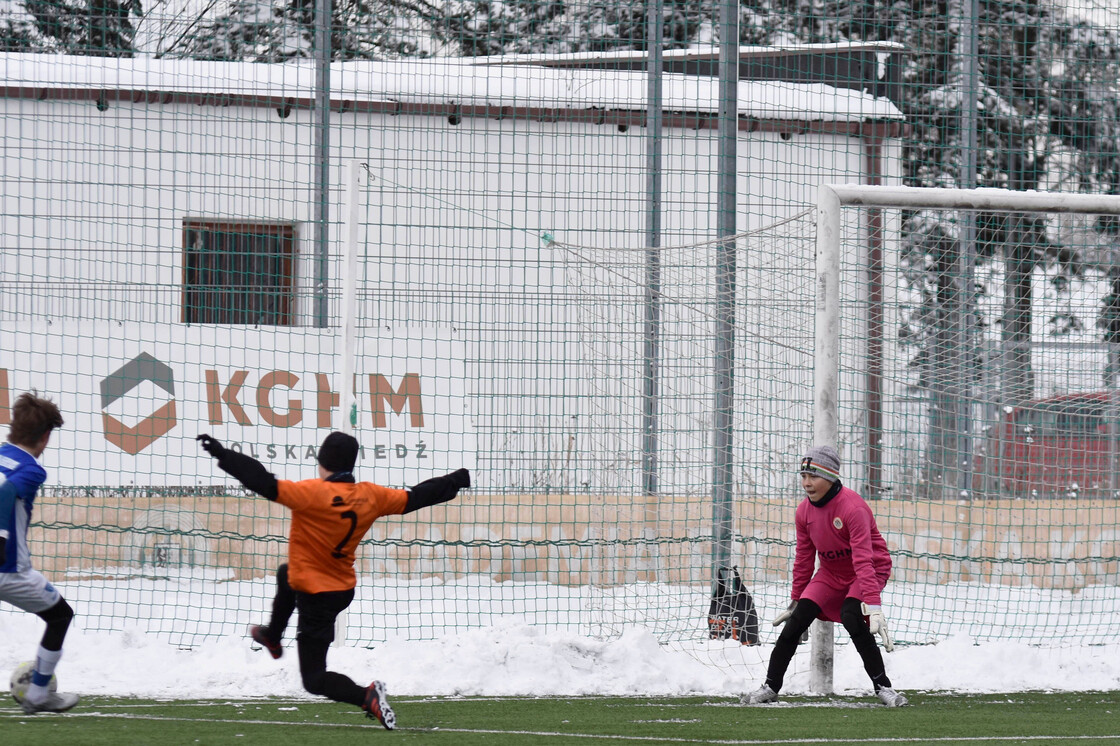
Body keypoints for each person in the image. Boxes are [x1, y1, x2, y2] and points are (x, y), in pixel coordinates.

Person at [197, 431, 470, 730]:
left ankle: (366, 696)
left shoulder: (311, 494)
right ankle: (273, 636)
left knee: (314, 680)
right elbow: (416, 497)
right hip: (340, 588)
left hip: (317, 597)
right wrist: (456, 480)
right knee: (286, 574)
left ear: (321, 461)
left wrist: (224, 455)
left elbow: (261, 480)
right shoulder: (371, 495)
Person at [741, 445, 907, 707]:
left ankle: (884, 688)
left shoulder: (853, 508)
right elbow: (804, 559)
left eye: (813, 476)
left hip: (868, 569)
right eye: (803, 476)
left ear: (830, 476)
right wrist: (796, 600)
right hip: (831, 573)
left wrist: (873, 605)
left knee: (852, 615)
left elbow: (864, 560)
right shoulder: (803, 512)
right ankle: (771, 687)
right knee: (796, 623)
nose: (806, 483)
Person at [0, 391, 80, 714]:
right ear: (45, 437)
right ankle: (37, 694)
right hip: (9, 570)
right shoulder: (33, 470)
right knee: (60, 616)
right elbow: (6, 492)